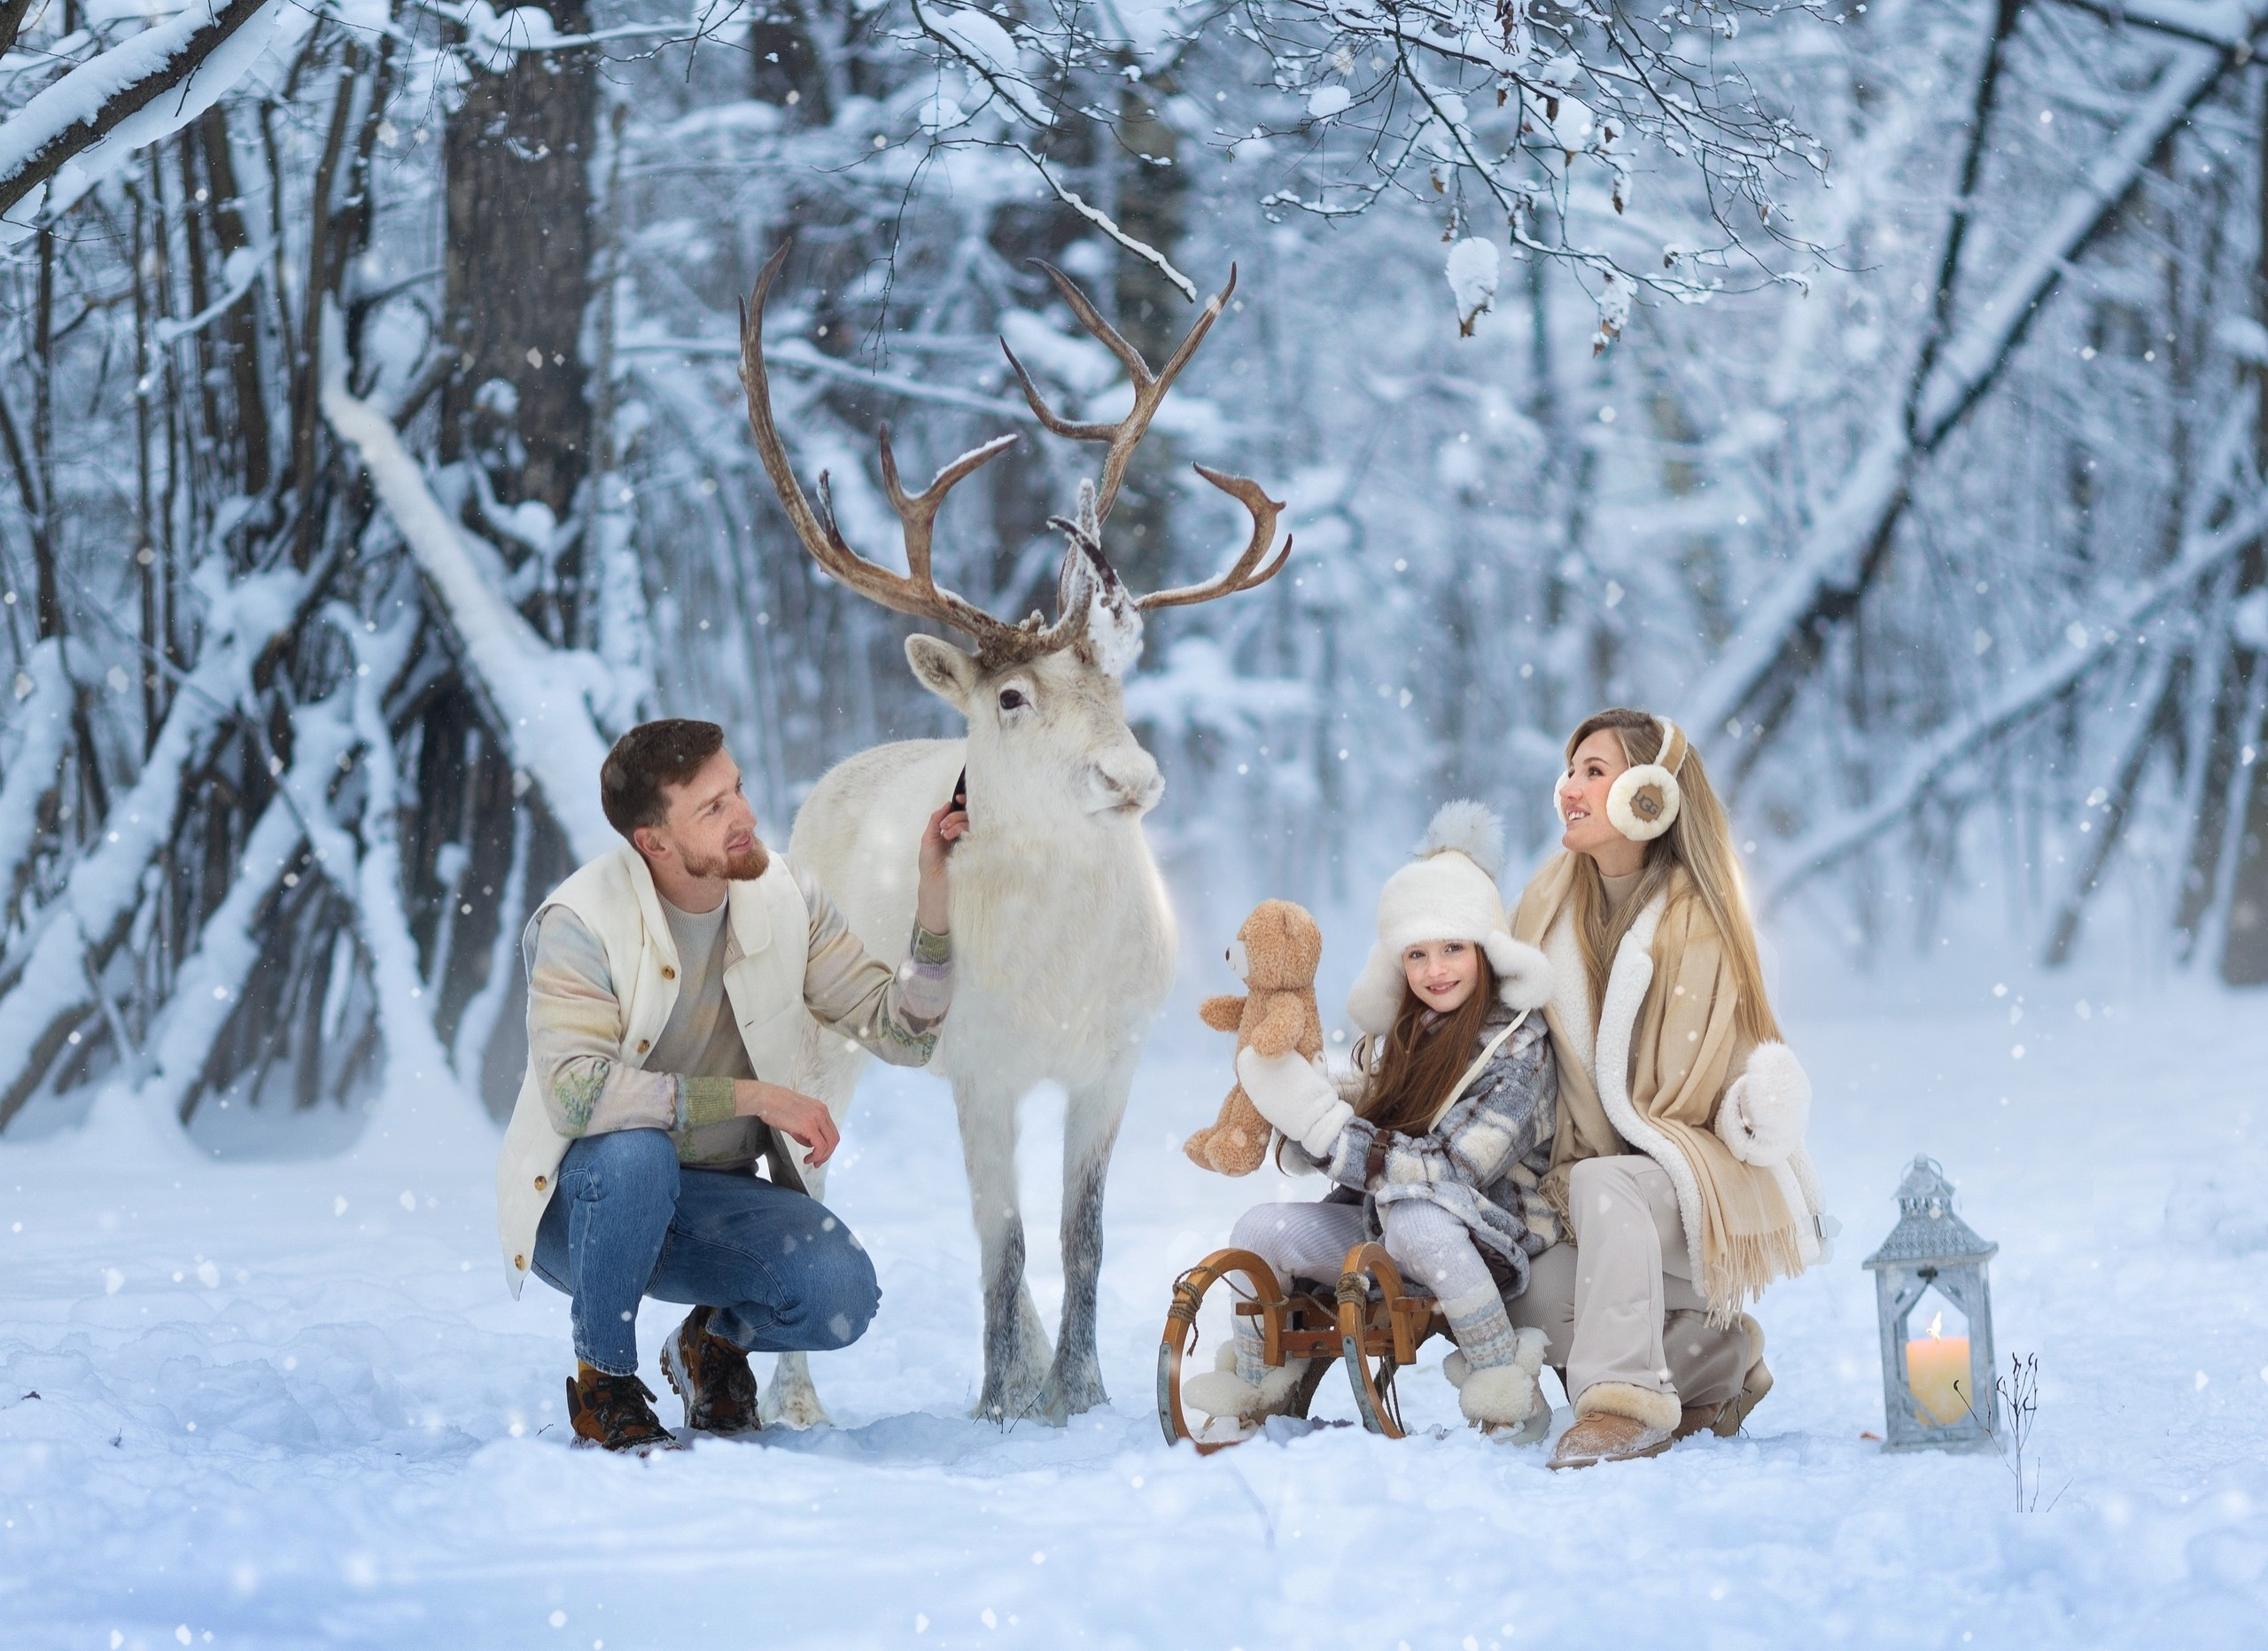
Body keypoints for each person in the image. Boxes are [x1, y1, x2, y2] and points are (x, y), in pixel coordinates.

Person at [493, 719, 967, 1452]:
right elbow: (577, 1094)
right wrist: (753, 1098)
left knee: (840, 1292)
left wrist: (934, 884)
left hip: (710, 1203)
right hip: (583, 1210)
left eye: (737, 789)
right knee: (635, 1155)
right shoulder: (581, 921)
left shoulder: (786, 897)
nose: (744, 815)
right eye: (712, 809)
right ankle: (604, 1382)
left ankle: (709, 1345)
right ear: (653, 841)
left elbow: (903, 1031)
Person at [1507, 708, 1831, 1469]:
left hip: (1688, 1175)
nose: (1570, 789)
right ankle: (1713, 1361)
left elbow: (1734, 1066)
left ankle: (1626, 1405)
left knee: (1607, 1185)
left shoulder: (1700, 923)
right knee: (1529, 1299)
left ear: (1650, 793)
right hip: (1581, 1191)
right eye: (1570, 770)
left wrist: (1759, 1105)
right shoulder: (1546, 904)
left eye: (1595, 770)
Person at [1182, 802, 1561, 1441]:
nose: (1435, 970)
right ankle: (1259, 1388)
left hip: (1481, 1231)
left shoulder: (1520, 1051)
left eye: (1453, 948)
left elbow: (1453, 1169)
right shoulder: (1402, 1035)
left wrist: (1330, 1131)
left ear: (1486, 951)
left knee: (1417, 1216)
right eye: (1417, 954)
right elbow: (1367, 1112)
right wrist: (1298, 1100)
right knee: (1259, 1229)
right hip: (1380, 1224)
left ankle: (1505, 1390)